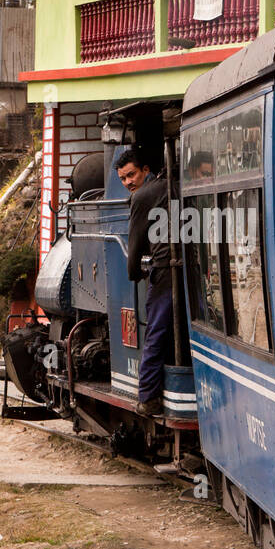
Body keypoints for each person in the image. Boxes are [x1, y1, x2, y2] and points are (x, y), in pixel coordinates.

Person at [117, 147, 172, 418]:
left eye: (131, 175)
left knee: (155, 333)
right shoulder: (174, 185)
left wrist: (133, 272)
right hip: (193, 269)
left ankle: (148, 397)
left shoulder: (142, 196)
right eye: (123, 179)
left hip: (164, 271)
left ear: (146, 171)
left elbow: (135, 243)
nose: (128, 182)